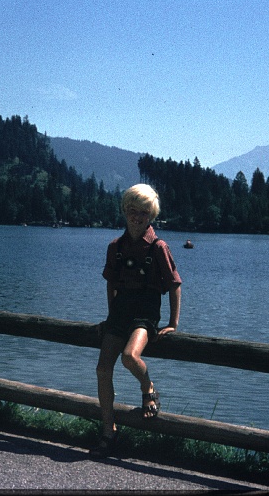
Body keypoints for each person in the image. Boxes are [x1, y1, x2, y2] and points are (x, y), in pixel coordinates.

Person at [90, 183, 182, 458]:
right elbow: (111, 283)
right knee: (102, 368)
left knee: (130, 356)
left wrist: (173, 323)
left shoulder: (158, 247)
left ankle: (147, 387)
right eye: (132, 210)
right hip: (120, 312)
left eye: (143, 212)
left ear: (151, 215)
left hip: (145, 312)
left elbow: (175, 284)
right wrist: (111, 316)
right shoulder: (115, 247)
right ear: (125, 211)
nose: (137, 216)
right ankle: (109, 431)